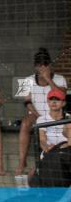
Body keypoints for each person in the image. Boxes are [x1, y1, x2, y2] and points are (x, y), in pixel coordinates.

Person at [17, 48, 68, 176]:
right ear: (35, 67)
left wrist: (48, 79)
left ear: (50, 65)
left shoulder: (60, 78)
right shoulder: (27, 80)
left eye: (45, 65)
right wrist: (39, 116)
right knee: (24, 123)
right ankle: (22, 161)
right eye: (40, 66)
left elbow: (61, 95)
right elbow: (26, 103)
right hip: (36, 114)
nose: (43, 68)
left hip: (56, 115)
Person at [33, 88, 71, 187]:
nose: (53, 102)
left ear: (63, 103)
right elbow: (42, 140)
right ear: (48, 102)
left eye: (57, 99)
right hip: (50, 150)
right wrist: (46, 147)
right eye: (51, 99)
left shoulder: (68, 117)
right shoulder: (42, 119)